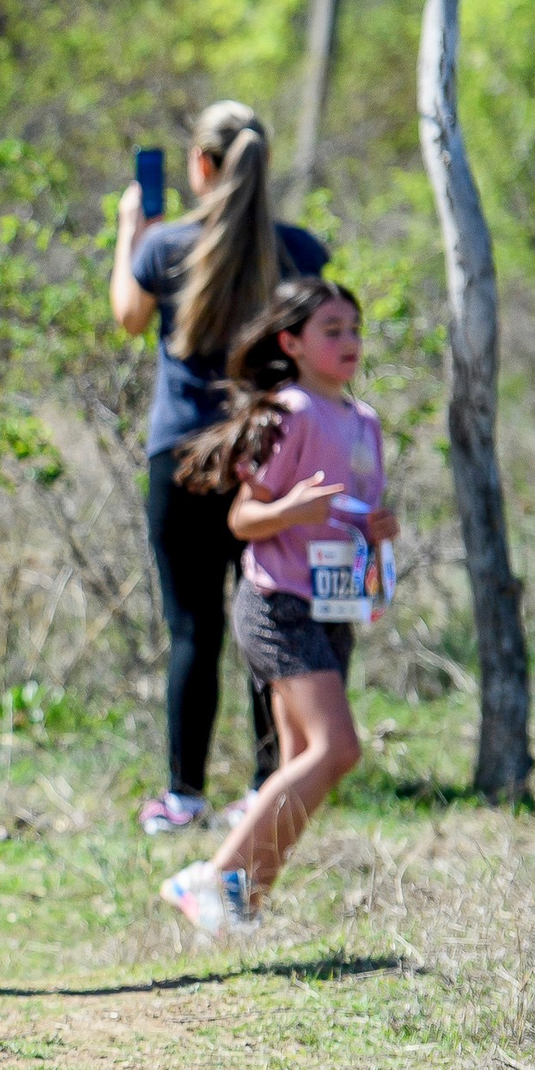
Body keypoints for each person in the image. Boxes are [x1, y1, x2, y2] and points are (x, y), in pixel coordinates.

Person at [110, 102, 329, 838]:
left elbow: (128, 318)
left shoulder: (166, 246)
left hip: (180, 457)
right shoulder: (300, 252)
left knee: (193, 630)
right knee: (267, 622)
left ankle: (183, 797)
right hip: (272, 458)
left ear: (201, 165)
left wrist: (128, 234)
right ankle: (267, 785)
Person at [159, 277, 392, 935]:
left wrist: (376, 530)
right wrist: (287, 510)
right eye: (332, 331)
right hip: (277, 604)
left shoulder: (365, 421)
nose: (348, 342)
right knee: (336, 748)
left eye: (354, 329)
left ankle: (241, 904)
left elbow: (354, 509)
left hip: (334, 604)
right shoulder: (288, 413)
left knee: (301, 764)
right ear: (291, 343)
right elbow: (243, 517)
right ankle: (207, 879)